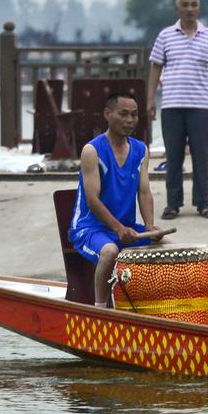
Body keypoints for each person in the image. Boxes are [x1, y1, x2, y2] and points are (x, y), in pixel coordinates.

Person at [69, 93, 163, 307]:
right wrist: (119, 228)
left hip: (125, 228)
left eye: (134, 115)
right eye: (123, 114)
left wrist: (149, 226)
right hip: (89, 228)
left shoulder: (141, 150)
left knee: (169, 245)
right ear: (107, 114)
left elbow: (144, 192)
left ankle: (159, 305)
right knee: (110, 251)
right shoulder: (92, 150)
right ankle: (100, 310)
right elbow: (93, 200)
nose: (130, 120)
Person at [147, 0, 208, 220]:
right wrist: (150, 99)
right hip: (172, 105)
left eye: (194, 5)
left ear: (199, 9)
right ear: (178, 10)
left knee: (202, 157)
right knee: (173, 157)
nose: (190, 9)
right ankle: (173, 204)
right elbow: (155, 67)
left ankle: (204, 203)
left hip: (200, 106)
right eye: (185, 5)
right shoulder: (165, 36)